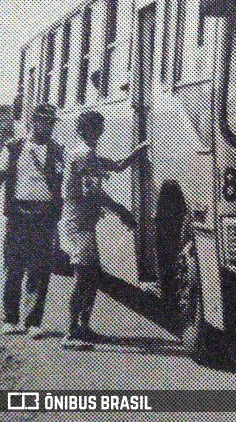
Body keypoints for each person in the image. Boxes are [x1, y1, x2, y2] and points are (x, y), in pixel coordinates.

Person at [58, 111, 148, 349]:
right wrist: (121, 211)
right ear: (89, 130)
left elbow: (117, 166)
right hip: (78, 224)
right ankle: (71, 331)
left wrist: (139, 150)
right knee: (84, 278)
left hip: (83, 223)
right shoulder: (83, 155)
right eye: (98, 128)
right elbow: (93, 193)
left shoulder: (87, 153)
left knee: (91, 276)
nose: (101, 132)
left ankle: (83, 327)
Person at [0, 103, 64, 338]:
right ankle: (10, 318)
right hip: (18, 213)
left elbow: (61, 184)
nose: (46, 127)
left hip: (45, 216)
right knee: (14, 267)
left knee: (40, 269)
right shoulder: (14, 148)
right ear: (32, 122)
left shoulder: (57, 151)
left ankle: (33, 321)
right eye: (42, 122)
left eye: (50, 123)